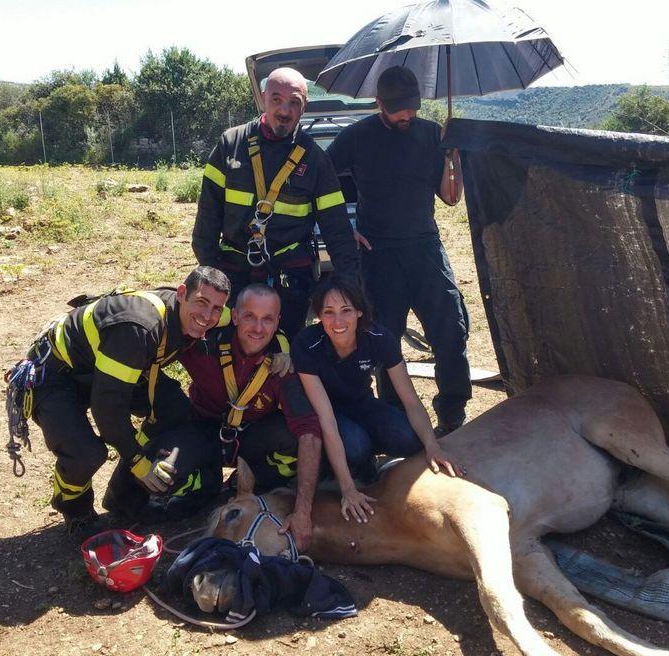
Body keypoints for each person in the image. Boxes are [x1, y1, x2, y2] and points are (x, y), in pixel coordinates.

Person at [10, 266, 230, 542]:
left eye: (216, 309)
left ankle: (124, 493)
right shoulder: (140, 330)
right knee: (86, 453)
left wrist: (280, 351)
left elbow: (242, 317)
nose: (207, 317)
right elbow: (108, 408)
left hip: (106, 367)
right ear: (182, 293)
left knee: (173, 408)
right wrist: (138, 461)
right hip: (56, 374)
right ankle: (75, 510)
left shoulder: (196, 313)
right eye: (201, 303)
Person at [326, 65, 471, 435]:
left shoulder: (431, 135)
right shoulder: (357, 137)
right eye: (398, 109)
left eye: (412, 107)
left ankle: (453, 411)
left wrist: (452, 159)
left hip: (425, 248)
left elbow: (451, 199)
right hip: (379, 254)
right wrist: (345, 230)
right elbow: (320, 180)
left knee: (451, 330)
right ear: (380, 104)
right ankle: (395, 418)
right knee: (384, 339)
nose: (407, 115)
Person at [192, 66, 360, 339]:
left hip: (291, 277)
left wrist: (349, 291)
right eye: (277, 99)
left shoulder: (315, 160)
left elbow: (338, 230)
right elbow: (206, 225)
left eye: (295, 102)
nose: (285, 110)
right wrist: (215, 283)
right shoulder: (230, 144)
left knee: (287, 354)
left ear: (303, 108)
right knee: (232, 349)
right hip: (235, 273)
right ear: (262, 99)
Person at [291, 275, 465, 523]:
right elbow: (326, 420)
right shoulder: (307, 344)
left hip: (362, 402)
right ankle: (347, 468)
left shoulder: (379, 338)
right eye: (328, 312)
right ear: (318, 315)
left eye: (346, 310)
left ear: (360, 312)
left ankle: (367, 455)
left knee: (409, 438)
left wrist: (432, 445)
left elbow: (411, 401)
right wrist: (348, 490)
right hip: (329, 412)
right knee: (355, 446)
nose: (338, 321)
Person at [174, 283, 324, 549]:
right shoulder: (205, 342)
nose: (258, 328)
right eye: (249, 317)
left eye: (267, 319)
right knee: (170, 482)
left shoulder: (281, 362)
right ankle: (204, 484)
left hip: (250, 440)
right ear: (233, 316)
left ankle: (248, 483)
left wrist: (302, 513)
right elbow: (177, 313)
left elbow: (309, 432)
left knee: (295, 439)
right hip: (205, 431)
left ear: (278, 321)